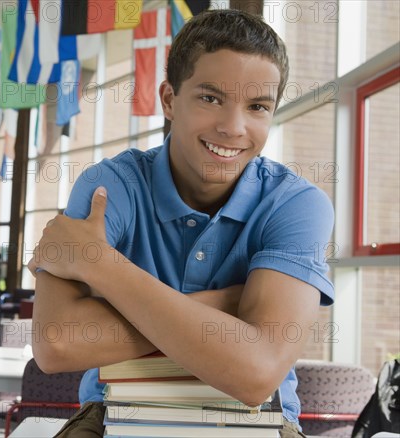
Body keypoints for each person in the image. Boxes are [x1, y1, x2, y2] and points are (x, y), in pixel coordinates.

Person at [28, 9, 334, 438]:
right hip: (115, 410)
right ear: (169, 99)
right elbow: (57, 344)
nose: (232, 127)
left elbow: (255, 376)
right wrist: (227, 304)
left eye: (257, 106)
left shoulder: (299, 204)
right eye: (211, 98)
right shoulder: (107, 187)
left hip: (257, 417)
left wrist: (98, 264)